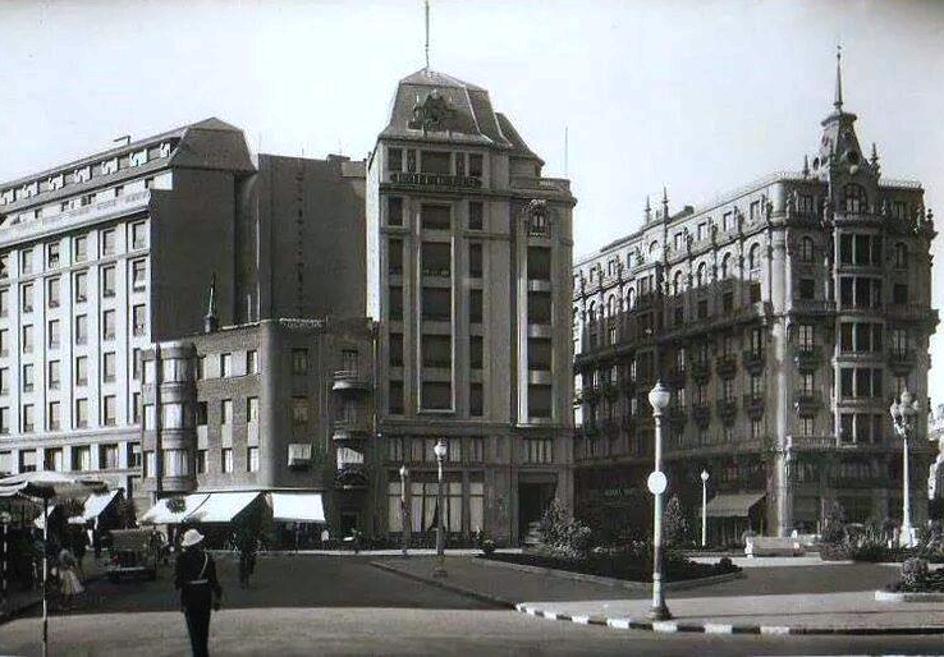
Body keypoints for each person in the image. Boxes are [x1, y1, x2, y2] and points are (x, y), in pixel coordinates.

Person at [174, 529, 222, 657]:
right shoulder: (207, 558)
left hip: (189, 598)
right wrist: (217, 598)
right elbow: (214, 580)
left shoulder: (181, 559)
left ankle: (199, 654)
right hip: (205, 597)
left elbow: (178, 582)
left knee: (194, 632)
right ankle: (204, 653)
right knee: (203, 630)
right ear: (198, 543)